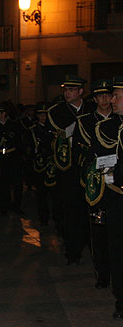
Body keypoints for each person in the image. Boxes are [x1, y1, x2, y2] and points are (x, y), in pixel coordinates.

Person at [47, 74, 95, 264]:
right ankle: (73, 251)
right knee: (71, 209)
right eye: (66, 90)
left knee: (91, 206)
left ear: (81, 91)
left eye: (72, 90)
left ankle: (92, 245)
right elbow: (47, 138)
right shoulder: (57, 111)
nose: (67, 93)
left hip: (89, 165)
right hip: (68, 167)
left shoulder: (91, 108)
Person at [74, 79, 114, 289]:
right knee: (98, 228)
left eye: (108, 95)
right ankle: (102, 273)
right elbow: (80, 151)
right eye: (100, 96)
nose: (105, 99)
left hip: (117, 180)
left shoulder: (119, 119)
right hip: (97, 180)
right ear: (95, 99)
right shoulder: (85, 121)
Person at [91, 76, 123, 318]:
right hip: (117, 196)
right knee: (117, 251)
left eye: (117, 96)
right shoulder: (109, 127)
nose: (111, 100)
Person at [0, 102, 24, 215]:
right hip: (1, 158)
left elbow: (19, 141)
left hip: (13, 158)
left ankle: (17, 206)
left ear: (4, 114)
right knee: (2, 184)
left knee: (17, 184)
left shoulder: (14, 125)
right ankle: (4, 207)